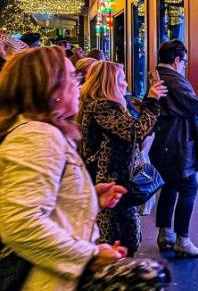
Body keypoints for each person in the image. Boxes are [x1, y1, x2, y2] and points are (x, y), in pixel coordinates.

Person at [0, 47, 128, 290]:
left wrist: (89, 195)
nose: (79, 84)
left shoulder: (38, 131)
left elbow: (45, 198)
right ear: (50, 88)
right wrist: (89, 255)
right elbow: (20, 222)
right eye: (71, 77)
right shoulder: (37, 136)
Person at [78, 61, 167, 257]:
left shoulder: (107, 107)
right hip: (110, 186)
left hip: (115, 184)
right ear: (109, 83)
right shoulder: (102, 107)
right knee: (117, 240)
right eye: (122, 80)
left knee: (123, 238)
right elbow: (133, 131)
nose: (126, 84)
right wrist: (152, 101)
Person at [151, 40, 198, 257]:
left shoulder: (157, 75)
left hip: (164, 142)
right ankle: (182, 240)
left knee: (169, 186)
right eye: (183, 62)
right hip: (178, 144)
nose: (184, 66)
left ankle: (165, 233)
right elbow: (195, 108)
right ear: (176, 60)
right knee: (189, 187)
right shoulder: (175, 80)